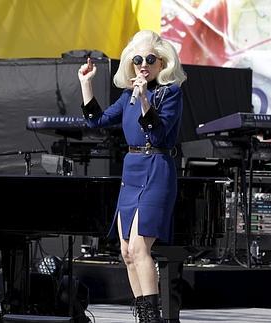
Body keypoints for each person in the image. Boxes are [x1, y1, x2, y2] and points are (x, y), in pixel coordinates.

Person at [77, 30, 186, 322]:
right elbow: (97, 122)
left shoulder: (170, 92)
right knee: (126, 250)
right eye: (137, 59)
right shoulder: (127, 96)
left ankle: (153, 318)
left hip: (157, 167)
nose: (143, 64)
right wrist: (86, 85)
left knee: (140, 247)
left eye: (150, 59)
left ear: (162, 63)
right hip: (132, 167)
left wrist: (144, 102)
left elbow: (159, 131)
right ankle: (143, 314)